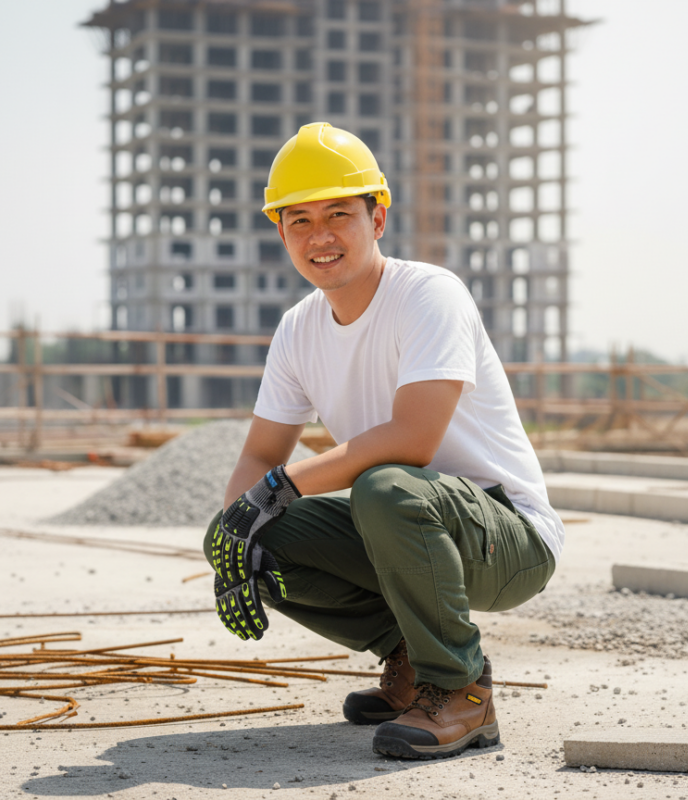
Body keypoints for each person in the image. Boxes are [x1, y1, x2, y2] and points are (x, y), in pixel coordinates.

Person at [206, 122, 564, 760]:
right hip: (404, 519)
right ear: (281, 233)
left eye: (338, 214)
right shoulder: (297, 330)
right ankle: (409, 657)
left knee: (384, 485)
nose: (320, 236)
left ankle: (461, 690)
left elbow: (413, 439)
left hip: (508, 534)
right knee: (248, 533)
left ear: (377, 218)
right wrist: (235, 532)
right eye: (299, 220)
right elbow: (260, 455)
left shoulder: (429, 295)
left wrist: (277, 489)